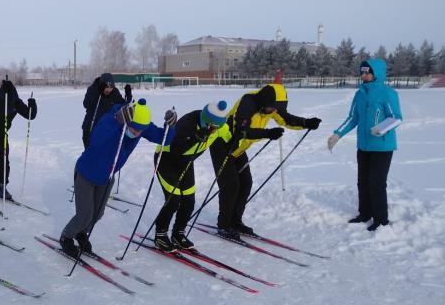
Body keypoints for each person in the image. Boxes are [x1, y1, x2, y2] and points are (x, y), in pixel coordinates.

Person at [60, 98, 177, 258]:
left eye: (140, 131)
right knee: (84, 214)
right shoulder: (113, 119)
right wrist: (116, 121)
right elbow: (96, 138)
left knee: (97, 214)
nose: (136, 133)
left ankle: (81, 232)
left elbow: (163, 138)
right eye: (134, 129)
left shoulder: (140, 125)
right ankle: (66, 236)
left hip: (107, 176)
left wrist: (170, 126)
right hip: (86, 173)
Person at [210, 83, 321, 239]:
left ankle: (235, 221)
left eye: (277, 109)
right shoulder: (248, 102)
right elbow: (242, 131)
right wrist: (268, 133)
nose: (274, 112)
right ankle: (223, 225)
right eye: (273, 108)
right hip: (223, 146)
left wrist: (306, 123)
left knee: (246, 183)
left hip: (239, 149)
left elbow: (286, 119)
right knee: (231, 185)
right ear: (265, 101)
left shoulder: (271, 105)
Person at [328, 59, 402, 231]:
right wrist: (337, 134)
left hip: (382, 147)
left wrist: (381, 129)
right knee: (363, 182)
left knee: (376, 183)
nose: (364, 75)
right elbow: (353, 117)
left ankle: (381, 219)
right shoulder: (359, 94)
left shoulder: (388, 93)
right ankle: (365, 214)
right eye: (362, 72)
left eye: (367, 72)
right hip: (364, 147)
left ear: (376, 73)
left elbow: (396, 117)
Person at [153, 101, 230, 252]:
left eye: (218, 128)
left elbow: (230, 138)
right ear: (206, 121)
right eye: (213, 127)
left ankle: (178, 234)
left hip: (186, 162)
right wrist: (195, 137)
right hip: (166, 159)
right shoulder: (187, 123)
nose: (215, 131)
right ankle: (160, 236)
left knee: (189, 201)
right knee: (173, 200)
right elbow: (176, 150)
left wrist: (241, 135)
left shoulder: (218, 126)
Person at [0, 75, 37, 202]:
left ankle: (2, 187)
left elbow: (29, 115)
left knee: (4, 161)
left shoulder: (15, 101)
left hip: (0, 135)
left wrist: (32, 103)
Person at [81, 72, 132, 149]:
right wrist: (97, 94)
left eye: (111, 87)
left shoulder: (114, 92)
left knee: (103, 154)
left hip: (106, 129)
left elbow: (122, 107)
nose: (109, 90)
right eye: (107, 87)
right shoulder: (93, 89)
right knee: (90, 153)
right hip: (90, 128)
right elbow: (86, 104)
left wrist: (128, 95)